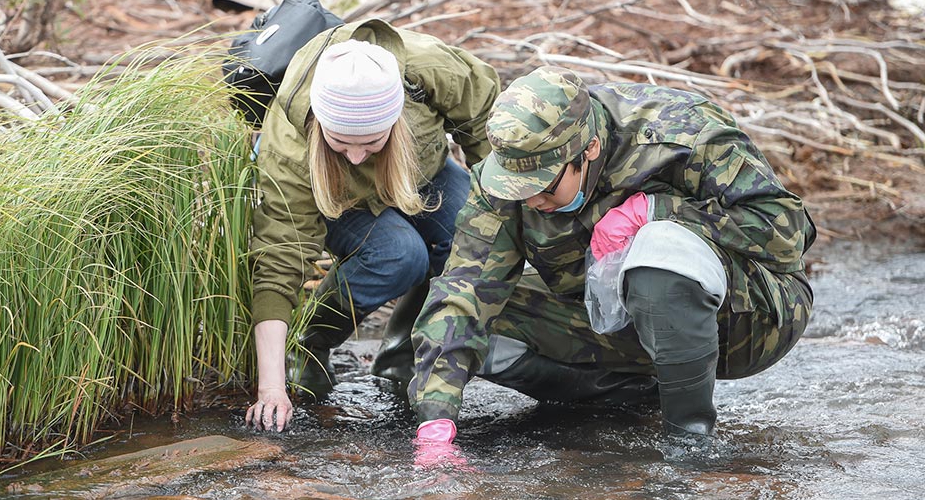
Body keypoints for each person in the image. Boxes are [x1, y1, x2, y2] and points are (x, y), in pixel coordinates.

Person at [408, 66, 816, 450]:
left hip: (751, 319)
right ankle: (639, 393)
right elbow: (467, 288)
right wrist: (435, 420)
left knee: (658, 255)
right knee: (466, 324)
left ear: (589, 150)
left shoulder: (683, 133)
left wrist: (658, 212)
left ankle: (688, 443)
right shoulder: (506, 178)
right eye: (518, 189)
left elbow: (787, 232)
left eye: (545, 187)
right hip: (611, 319)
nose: (532, 201)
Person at [243, 19, 500, 432]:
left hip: (420, 174)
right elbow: (280, 261)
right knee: (399, 254)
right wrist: (270, 388)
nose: (358, 156)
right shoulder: (290, 148)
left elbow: (485, 125)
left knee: (472, 233)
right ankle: (310, 343)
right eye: (342, 144)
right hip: (340, 199)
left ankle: (406, 353)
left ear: (396, 120)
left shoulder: (430, 68)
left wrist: (497, 200)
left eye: (372, 142)